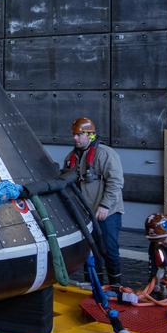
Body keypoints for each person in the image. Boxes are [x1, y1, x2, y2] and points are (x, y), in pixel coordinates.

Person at [59, 117, 125, 285]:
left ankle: (116, 286)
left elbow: (116, 182)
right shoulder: (70, 158)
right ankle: (95, 286)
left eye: (79, 135)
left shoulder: (106, 154)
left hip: (107, 212)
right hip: (86, 214)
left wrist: (104, 205)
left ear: (91, 135)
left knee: (109, 250)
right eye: (74, 135)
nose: (75, 138)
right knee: (90, 251)